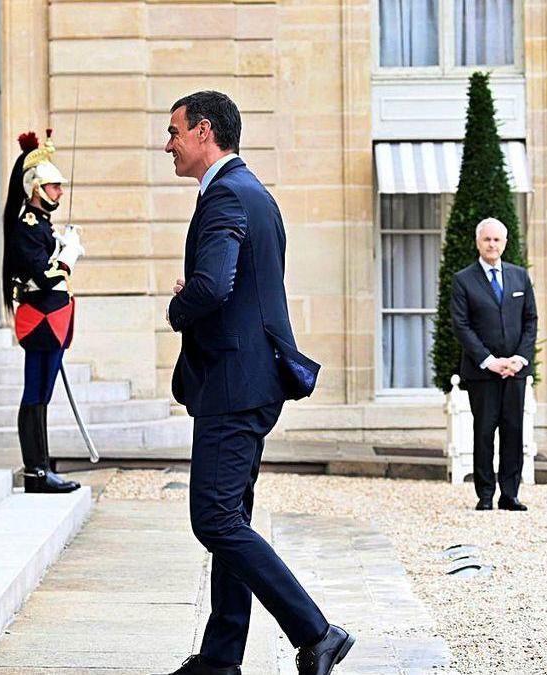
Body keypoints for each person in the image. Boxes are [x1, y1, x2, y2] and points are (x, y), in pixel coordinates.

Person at [158, 90, 352, 675]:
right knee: (230, 519)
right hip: (250, 380)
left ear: (204, 132)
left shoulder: (224, 197)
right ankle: (220, 659)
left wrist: (179, 308)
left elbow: (213, 286)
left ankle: (316, 632)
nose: (167, 143)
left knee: (213, 519)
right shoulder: (255, 193)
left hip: (233, 383)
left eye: (174, 132)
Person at [0, 129, 83, 494]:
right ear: (36, 189)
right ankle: (35, 470)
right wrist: (68, 256)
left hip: (53, 319)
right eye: (54, 187)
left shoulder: (43, 227)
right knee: (35, 394)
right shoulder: (26, 228)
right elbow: (47, 278)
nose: (60, 193)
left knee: (42, 395)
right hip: (41, 318)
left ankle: (41, 466)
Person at [448, 217, 538, 512]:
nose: (492, 245)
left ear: (505, 243)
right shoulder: (463, 279)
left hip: (515, 371)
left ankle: (509, 495)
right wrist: (489, 361)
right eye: (487, 240)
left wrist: (519, 359)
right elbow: (461, 325)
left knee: (513, 432)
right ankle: (485, 494)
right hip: (482, 373)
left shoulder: (519, 277)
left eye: (497, 240)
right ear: (478, 242)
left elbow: (530, 320)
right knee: (484, 433)